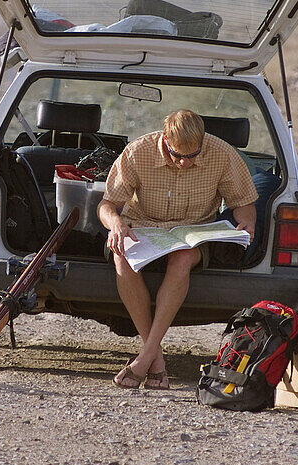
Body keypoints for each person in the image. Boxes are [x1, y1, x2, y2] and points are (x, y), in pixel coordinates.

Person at [97, 109, 257, 389]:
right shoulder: (137, 152)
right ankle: (154, 358)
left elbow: (243, 203)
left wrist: (247, 223)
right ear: (164, 140)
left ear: (203, 142)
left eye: (192, 156)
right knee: (121, 255)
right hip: (143, 227)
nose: (184, 163)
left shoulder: (222, 153)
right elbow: (107, 205)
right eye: (177, 155)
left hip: (193, 232)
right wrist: (116, 224)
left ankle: (145, 357)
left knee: (182, 258)